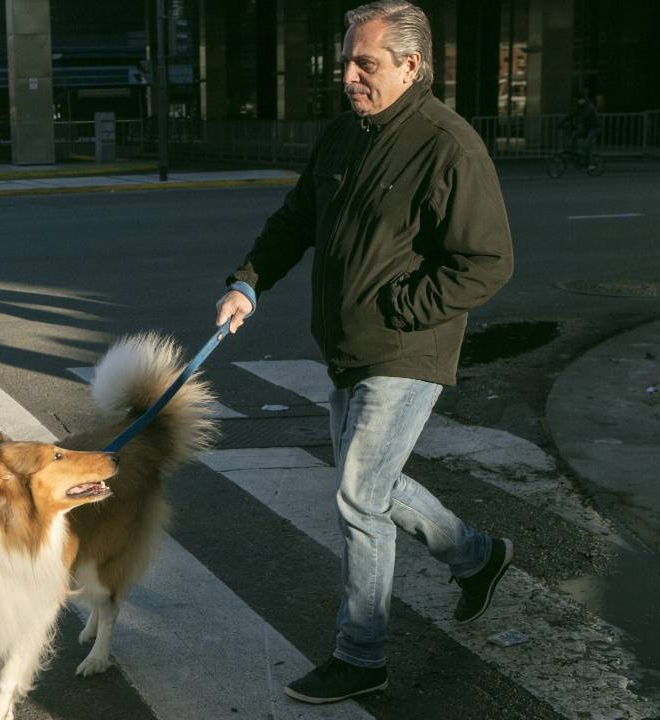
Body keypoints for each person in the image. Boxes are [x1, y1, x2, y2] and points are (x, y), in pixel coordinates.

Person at [215, 0, 515, 705]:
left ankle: (362, 653)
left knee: (357, 497)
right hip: (348, 348)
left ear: (411, 66)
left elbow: (488, 262)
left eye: (365, 63)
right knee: (371, 490)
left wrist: (402, 309)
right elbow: (296, 222)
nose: (347, 74)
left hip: (408, 350)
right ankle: (478, 556)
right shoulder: (345, 136)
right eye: (346, 60)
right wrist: (249, 285)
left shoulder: (449, 145)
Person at [563, 93, 601, 170]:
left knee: (586, 145)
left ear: (584, 99)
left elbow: (584, 116)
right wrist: (562, 122)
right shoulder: (580, 106)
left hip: (595, 128)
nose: (579, 101)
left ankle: (590, 164)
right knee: (573, 136)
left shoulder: (589, 106)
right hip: (587, 128)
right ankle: (575, 157)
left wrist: (576, 124)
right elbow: (573, 114)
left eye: (580, 99)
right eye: (578, 100)